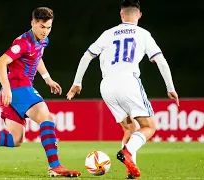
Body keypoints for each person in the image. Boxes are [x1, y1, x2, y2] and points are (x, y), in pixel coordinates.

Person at [0, 7, 81, 178]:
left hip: (15, 90)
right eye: (42, 27)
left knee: (15, 139)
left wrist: (47, 78)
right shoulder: (22, 42)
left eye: (49, 27)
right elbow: (0, 63)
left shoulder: (43, 40)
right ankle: (55, 166)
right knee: (47, 118)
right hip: (17, 87)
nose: (45, 31)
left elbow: (37, 57)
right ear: (33, 23)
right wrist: (7, 88)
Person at [66, 0, 179, 178]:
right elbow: (162, 62)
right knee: (149, 127)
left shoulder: (107, 34)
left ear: (121, 14)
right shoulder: (143, 34)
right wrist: (170, 87)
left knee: (129, 129)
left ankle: (130, 170)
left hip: (106, 86)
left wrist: (77, 82)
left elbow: (86, 56)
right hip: (128, 82)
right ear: (139, 15)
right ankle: (127, 151)